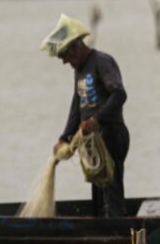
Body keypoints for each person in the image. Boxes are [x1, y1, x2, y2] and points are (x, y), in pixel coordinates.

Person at [41, 13, 130, 217]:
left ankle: (117, 228)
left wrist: (97, 120)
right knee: (97, 188)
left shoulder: (102, 62)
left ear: (77, 48)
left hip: (112, 134)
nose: (65, 62)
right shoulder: (79, 69)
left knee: (112, 186)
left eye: (66, 56)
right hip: (92, 140)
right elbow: (77, 105)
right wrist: (64, 137)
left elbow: (119, 94)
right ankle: (100, 225)